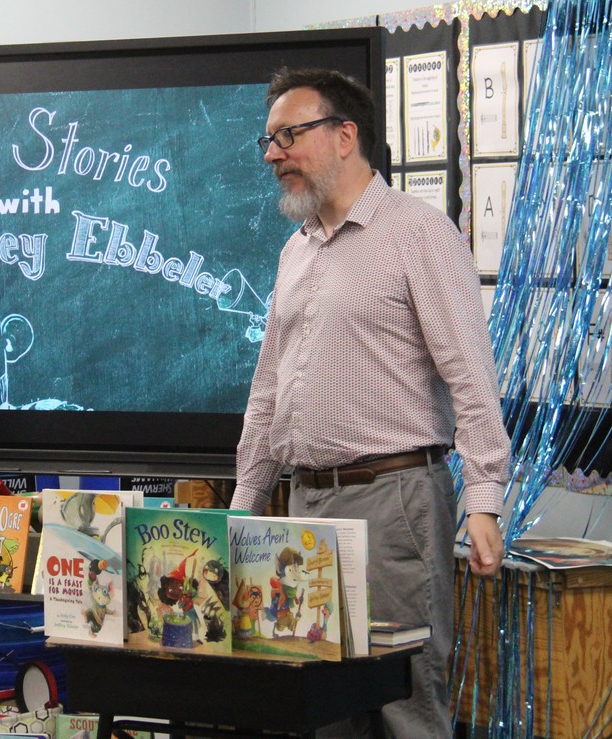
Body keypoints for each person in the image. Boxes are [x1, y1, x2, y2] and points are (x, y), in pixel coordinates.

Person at [229, 67, 510, 737]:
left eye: (288, 137)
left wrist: (485, 499)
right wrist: (242, 505)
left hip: (394, 505)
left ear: (345, 134)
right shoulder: (294, 253)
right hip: (303, 511)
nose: (273, 156)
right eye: (267, 141)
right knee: (324, 706)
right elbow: (267, 392)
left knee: (404, 702)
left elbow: (471, 376)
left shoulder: (417, 232)